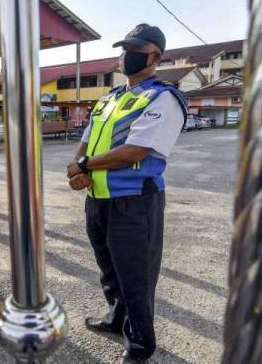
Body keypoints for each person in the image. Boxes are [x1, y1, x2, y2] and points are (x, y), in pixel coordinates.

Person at [67, 24, 188, 363]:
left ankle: (139, 347)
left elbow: (136, 151)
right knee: (109, 269)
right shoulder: (110, 99)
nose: (126, 56)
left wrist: (85, 166)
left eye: (135, 49)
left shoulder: (163, 98)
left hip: (135, 203)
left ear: (155, 57)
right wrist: (77, 169)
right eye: (124, 49)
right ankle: (115, 319)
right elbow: (87, 138)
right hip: (99, 201)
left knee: (136, 277)